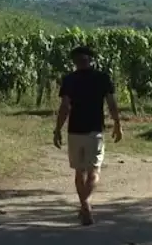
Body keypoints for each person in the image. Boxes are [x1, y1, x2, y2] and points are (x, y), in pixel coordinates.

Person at [53, 46, 123, 226]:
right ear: (92, 60)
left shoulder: (69, 80)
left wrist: (58, 129)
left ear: (74, 61)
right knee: (94, 171)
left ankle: (84, 206)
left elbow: (65, 107)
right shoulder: (102, 78)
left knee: (79, 171)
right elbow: (111, 103)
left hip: (75, 130)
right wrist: (117, 124)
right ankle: (86, 205)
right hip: (95, 130)